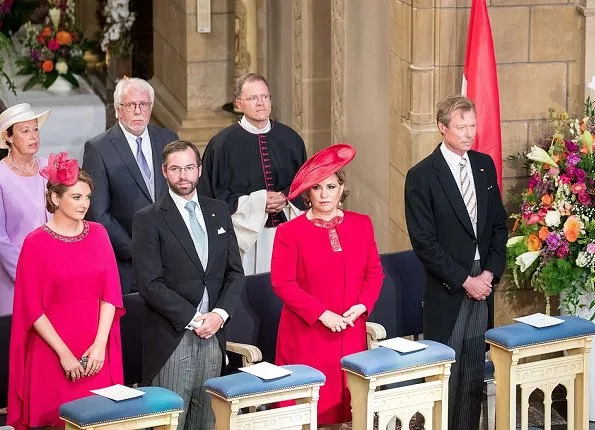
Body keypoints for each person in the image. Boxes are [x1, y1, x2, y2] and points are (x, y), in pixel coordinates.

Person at [404, 95, 507, 430]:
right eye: (461, 127)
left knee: (473, 373)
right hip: (450, 285)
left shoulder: (483, 164)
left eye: (473, 126)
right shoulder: (421, 176)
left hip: (483, 282)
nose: (469, 133)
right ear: (442, 128)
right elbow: (424, 242)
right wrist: (466, 280)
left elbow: (497, 225)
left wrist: (489, 273)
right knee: (448, 372)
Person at [7, 153, 124, 430]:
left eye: (87, 197)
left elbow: (111, 295)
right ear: (56, 198)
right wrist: (64, 354)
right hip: (52, 353)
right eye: (76, 197)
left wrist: (99, 346)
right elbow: (31, 308)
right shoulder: (34, 243)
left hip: (94, 352)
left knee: (101, 421)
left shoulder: (99, 234)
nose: (84, 204)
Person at [132, 140, 244, 430]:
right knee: (172, 420)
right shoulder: (148, 218)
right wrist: (195, 320)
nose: (183, 175)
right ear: (164, 172)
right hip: (173, 336)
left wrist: (219, 315)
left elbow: (234, 272)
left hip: (215, 334)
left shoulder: (219, 210)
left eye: (189, 167)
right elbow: (149, 284)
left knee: (206, 419)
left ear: (199, 169)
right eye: (176, 168)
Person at [270, 144, 384, 427]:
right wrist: (322, 314)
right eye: (317, 187)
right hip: (308, 334)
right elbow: (282, 283)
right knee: (310, 412)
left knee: (349, 410)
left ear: (341, 188)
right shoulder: (289, 232)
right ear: (308, 193)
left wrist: (361, 306)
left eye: (331, 186)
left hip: (350, 329)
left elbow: (374, 273)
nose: (324, 194)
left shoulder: (362, 224)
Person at [197, 72, 307, 275]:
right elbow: (211, 196)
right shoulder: (221, 145)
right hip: (243, 237)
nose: (260, 103)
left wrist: (285, 196)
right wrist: (258, 201)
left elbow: (304, 183)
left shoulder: (291, 139)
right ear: (239, 104)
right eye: (253, 98)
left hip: (286, 230)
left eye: (265, 97)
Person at [83, 77, 179, 293]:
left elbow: (180, 191)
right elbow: (98, 213)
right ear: (118, 109)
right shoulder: (98, 148)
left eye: (143, 105)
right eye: (130, 105)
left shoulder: (168, 139)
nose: (138, 111)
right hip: (127, 263)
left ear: (151, 107)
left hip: (170, 257)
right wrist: (135, 249)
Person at [0, 103, 51, 315]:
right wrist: (25, 273)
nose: (33, 136)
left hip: (53, 273)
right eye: (25, 131)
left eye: (35, 129)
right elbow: (0, 238)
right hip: (15, 276)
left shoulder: (50, 167)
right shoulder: (1, 176)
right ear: (8, 137)